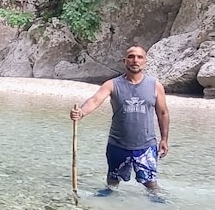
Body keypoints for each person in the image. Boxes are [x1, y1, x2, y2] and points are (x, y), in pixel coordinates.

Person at [70, 45, 169, 196]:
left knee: (151, 184)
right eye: (131, 56)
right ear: (124, 61)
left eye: (139, 57)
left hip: (146, 145)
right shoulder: (112, 84)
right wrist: (81, 112)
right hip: (118, 144)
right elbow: (95, 101)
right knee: (113, 182)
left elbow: (162, 113)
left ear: (145, 62)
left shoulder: (155, 85)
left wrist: (164, 139)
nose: (135, 60)